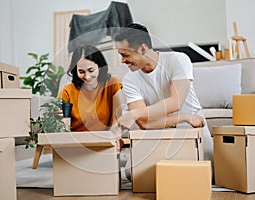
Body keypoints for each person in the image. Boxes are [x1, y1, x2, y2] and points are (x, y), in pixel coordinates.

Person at [113, 23, 213, 163]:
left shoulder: (178, 59)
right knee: (137, 175)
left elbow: (175, 102)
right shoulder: (129, 79)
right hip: (159, 127)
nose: (123, 61)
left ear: (142, 49)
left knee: (207, 174)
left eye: (125, 55)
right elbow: (144, 124)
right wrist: (184, 117)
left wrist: (133, 114)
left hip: (193, 124)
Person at [57, 45, 124, 133]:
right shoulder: (68, 91)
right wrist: (58, 118)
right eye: (81, 72)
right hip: (76, 140)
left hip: (105, 138)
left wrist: (113, 138)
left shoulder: (112, 84)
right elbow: (64, 124)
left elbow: (117, 120)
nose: (87, 76)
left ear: (99, 66)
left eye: (91, 70)